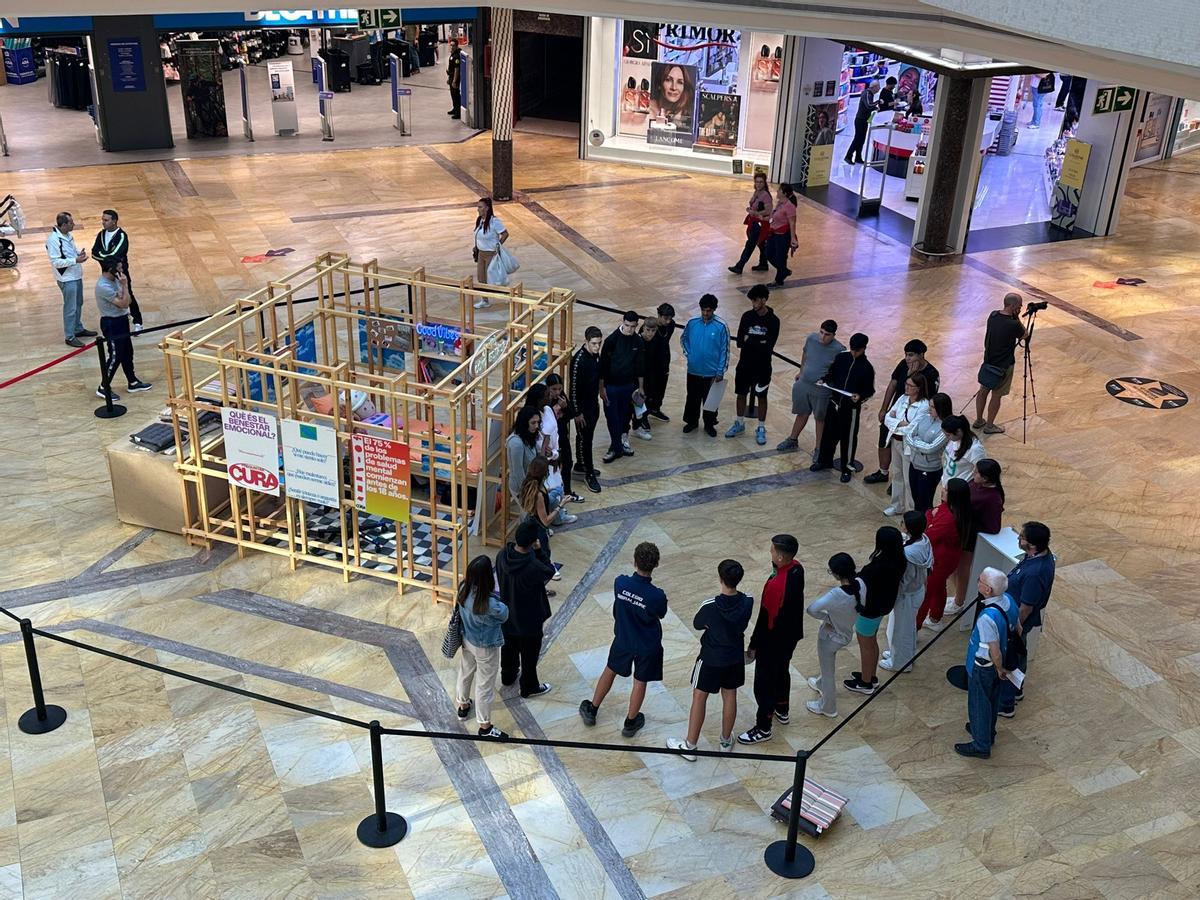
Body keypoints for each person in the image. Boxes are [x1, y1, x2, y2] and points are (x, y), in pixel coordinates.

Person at [667, 559, 753, 760]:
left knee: (699, 696)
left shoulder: (710, 605)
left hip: (710, 658)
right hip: (734, 657)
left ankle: (690, 745)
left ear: (720, 578)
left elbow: (698, 624)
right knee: (730, 695)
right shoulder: (748, 600)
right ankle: (725, 741)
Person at [578, 541, 667, 737]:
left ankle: (592, 709)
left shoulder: (621, 583)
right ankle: (630, 722)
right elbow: (660, 614)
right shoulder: (657, 596)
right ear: (656, 564)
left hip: (624, 639)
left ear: (634, 562)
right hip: (647, 645)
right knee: (640, 681)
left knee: (610, 670)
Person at [737, 534, 804, 744]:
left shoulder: (776, 587)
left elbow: (765, 618)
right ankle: (782, 708)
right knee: (782, 671)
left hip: (773, 641)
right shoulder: (796, 568)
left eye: (773, 551)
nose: (770, 553)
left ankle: (763, 727)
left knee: (764, 684)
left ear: (782, 557)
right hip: (791, 636)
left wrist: (754, 645)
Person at [956, 567, 1018, 759]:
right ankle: (985, 731)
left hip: (984, 666)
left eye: (980, 580)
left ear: (988, 590)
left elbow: (994, 650)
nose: (978, 582)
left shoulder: (986, 618)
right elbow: (1018, 628)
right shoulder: (1010, 602)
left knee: (979, 702)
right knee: (991, 699)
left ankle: (981, 744)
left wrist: (999, 668)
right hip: (998, 665)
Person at [997, 522, 1055, 718]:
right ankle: (1017, 689)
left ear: (1032, 546)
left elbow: (1026, 607)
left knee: (1009, 658)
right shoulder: (1038, 557)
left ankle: (1005, 703)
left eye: (1021, 537)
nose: (1018, 539)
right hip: (1016, 616)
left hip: (1017, 621)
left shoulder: (1035, 573)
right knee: (1019, 654)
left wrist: (1015, 627)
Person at [864, 339, 940, 485]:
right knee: (884, 439)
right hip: (896, 410)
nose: (907, 358)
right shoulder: (903, 365)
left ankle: (901, 479)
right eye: (906, 355)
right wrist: (883, 408)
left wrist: (913, 374)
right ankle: (883, 472)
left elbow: (928, 398)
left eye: (911, 355)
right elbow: (893, 384)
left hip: (914, 416)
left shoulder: (931, 373)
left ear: (921, 355)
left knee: (905, 450)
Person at [497, 520, 556, 698]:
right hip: (529, 619)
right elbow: (549, 571)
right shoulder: (533, 567)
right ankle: (529, 686)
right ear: (532, 542)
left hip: (507, 614)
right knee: (529, 655)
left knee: (508, 647)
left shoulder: (502, 555)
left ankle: (507, 676)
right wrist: (539, 551)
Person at [844, 527, 907, 695]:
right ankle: (870, 675)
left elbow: (859, 583)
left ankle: (865, 683)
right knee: (871, 641)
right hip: (883, 606)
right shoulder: (899, 560)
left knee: (866, 645)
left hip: (869, 609)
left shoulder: (878, 567)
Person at [454, 555, 510, 739]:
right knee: (485, 686)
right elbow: (505, 614)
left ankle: (463, 706)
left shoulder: (463, 588)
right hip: (485, 646)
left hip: (466, 639)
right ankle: (485, 726)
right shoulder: (489, 603)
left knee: (465, 672)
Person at [805, 553, 863, 718]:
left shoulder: (837, 594)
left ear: (836, 574)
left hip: (831, 637)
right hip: (845, 632)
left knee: (828, 670)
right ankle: (820, 683)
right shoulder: (860, 584)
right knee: (826, 670)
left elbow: (812, 609)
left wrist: (827, 618)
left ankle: (828, 707)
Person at [813, 332, 875, 483]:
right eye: (852, 349)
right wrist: (824, 380)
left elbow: (869, 391)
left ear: (864, 349)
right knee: (828, 434)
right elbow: (831, 374)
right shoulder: (841, 358)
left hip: (851, 409)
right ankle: (824, 460)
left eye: (857, 350)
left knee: (848, 439)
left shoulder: (867, 368)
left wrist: (859, 397)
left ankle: (846, 468)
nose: (853, 353)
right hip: (834, 404)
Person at [778, 320, 844, 460]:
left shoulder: (839, 350)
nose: (822, 337)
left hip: (821, 390)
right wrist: (801, 371)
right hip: (804, 384)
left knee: (820, 419)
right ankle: (792, 439)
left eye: (827, 334)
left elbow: (838, 372)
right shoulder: (811, 339)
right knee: (801, 413)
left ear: (833, 335)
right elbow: (805, 353)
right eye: (821, 332)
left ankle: (819, 449)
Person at [948, 458, 1006, 618]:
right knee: (954, 567)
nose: (973, 474)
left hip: (970, 536)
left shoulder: (993, 498)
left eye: (976, 473)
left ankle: (959, 602)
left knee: (962, 569)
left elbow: (994, 527)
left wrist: (971, 521)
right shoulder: (976, 484)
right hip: (962, 531)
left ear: (986, 478)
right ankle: (959, 597)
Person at [918, 478, 974, 632]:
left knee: (926, 595)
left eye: (947, 490)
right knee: (938, 587)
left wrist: (929, 515)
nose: (942, 490)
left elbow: (928, 535)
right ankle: (935, 618)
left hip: (940, 560)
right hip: (946, 558)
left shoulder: (950, 518)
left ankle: (913, 631)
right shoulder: (954, 510)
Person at [726, 284, 779, 446]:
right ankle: (739, 423)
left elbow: (769, 345)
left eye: (755, 301)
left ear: (763, 300)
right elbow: (740, 342)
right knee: (741, 394)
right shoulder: (747, 316)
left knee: (762, 397)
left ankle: (761, 428)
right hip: (744, 365)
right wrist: (758, 342)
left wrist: (752, 341)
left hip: (763, 367)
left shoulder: (773, 320)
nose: (753, 304)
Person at [881, 511, 932, 672]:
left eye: (903, 522)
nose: (900, 524)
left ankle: (900, 663)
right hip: (916, 591)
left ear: (909, 528)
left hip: (907, 595)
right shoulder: (924, 540)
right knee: (904, 627)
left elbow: (905, 578)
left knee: (901, 631)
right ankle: (903, 655)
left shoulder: (909, 554)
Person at [95, 257, 152, 399]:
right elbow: (124, 304)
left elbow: (128, 300)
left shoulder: (116, 280)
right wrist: (125, 287)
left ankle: (132, 381)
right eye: (119, 268)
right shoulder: (104, 286)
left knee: (127, 352)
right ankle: (103, 386)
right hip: (111, 323)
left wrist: (124, 291)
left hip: (122, 320)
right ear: (110, 270)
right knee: (116, 355)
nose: (122, 270)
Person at [974, 293, 1029, 434]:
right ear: (1013, 306)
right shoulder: (1014, 323)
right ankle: (990, 426)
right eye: (1019, 306)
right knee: (996, 395)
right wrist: (1016, 317)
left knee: (983, 391)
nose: (1021, 308)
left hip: (988, 361)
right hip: (1004, 364)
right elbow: (1024, 335)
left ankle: (979, 420)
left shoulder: (993, 316)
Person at [881, 372, 932, 517]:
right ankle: (897, 505)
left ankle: (911, 510)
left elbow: (912, 428)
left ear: (918, 388)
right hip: (895, 441)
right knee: (897, 474)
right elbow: (887, 418)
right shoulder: (902, 398)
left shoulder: (924, 406)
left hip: (908, 445)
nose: (907, 387)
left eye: (910, 385)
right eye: (906, 384)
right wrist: (900, 423)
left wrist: (896, 422)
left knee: (909, 479)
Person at [680, 294, 730, 437]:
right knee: (692, 397)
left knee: (711, 400)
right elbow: (684, 339)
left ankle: (709, 424)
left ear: (714, 309)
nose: (705, 313)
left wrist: (720, 371)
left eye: (708, 310)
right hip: (694, 370)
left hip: (712, 373)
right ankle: (691, 422)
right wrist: (689, 354)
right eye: (703, 310)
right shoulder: (692, 322)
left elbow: (724, 350)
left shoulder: (721, 326)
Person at [599, 311, 645, 464]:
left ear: (636, 325)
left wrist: (640, 388)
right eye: (627, 325)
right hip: (611, 386)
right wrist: (602, 388)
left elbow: (639, 366)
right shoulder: (611, 340)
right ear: (622, 322)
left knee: (625, 416)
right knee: (612, 417)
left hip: (628, 386)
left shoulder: (637, 341)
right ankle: (615, 446)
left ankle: (621, 443)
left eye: (633, 327)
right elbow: (603, 366)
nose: (629, 329)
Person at [47, 211, 94, 348]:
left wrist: (79, 253)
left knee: (78, 303)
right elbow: (55, 262)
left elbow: (70, 250)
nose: (73, 224)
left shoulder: (68, 235)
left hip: (75, 275)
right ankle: (69, 336)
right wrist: (75, 260)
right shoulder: (54, 240)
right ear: (63, 225)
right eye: (71, 223)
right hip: (67, 278)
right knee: (70, 307)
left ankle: (77, 328)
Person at [519, 457, 574, 572]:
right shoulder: (538, 495)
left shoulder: (535, 484)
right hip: (537, 527)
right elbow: (545, 521)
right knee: (542, 553)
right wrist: (561, 504)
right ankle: (544, 573)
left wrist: (551, 490)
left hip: (533, 522)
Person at [91, 209, 142, 332]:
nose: (103, 222)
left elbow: (115, 254)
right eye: (102, 220)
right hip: (107, 271)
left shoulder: (122, 235)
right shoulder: (101, 234)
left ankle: (138, 321)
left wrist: (104, 256)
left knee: (127, 293)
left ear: (114, 221)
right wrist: (107, 258)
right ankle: (120, 313)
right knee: (112, 293)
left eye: (106, 220)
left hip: (121, 271)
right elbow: (94, 253)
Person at [905, 392, 951, 513]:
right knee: (915, 498)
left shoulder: (946, 427)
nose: (929, 409)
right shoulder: (924, 417)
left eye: (932, 407)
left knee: (924, 501)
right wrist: (920, 445)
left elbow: (931, 449)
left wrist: (916, 442)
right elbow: (909, 435)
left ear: (941, 408)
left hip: (930, 469)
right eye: (929, 406)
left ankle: (925, 528)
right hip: (914, 464)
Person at [570, 326, 603, 493]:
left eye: (599, 343)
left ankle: (581, 464)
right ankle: (589, 473)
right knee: (586, 440)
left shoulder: (595, 355)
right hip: (582, 408)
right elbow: (573, 389)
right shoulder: (578, 361)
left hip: (593, 404)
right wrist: (576, 412)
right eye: (594, 344)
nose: (597, 347)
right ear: (586, 341)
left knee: (584, 438)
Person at [728, 172, 772, 274]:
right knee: (761, 244)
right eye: (757, 182)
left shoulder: (765, 195)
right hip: (754, 221)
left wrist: (755, 213)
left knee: (750, 244)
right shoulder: (757, 192)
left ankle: (740, 266)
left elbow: (768, 211)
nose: (759, 184)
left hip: (760, 223)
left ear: (764, 182)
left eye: (761, 182)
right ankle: (763, 263)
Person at [472, 197, 509, 302]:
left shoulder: (494, 222)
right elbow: (478, 234)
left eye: (480, 207)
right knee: (481, 278)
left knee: (494, 278)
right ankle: (484, 300)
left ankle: (507, 294)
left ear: (487, 208)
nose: (478, 209)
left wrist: (498, 246)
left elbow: (505, 234)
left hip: (491, 254)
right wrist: (476, 246)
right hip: (481, 254)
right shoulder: (479, 220)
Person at [643, 303, 675, 422]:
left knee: (661, 389)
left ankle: (655, 409)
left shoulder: (671, 325)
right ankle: (643, 416)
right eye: (665, 318)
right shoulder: (648, 327)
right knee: (648, 390)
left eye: (670, 318)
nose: (668, 321)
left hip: (663, 362)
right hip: (650, 365)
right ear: (659, 315)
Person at [630, 319, 660, 441]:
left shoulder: (656, 341)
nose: (650, 333)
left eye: (653, 331)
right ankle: (637, 424)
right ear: (643, 328)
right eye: (648, 330)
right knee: (637, 401)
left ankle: (642, 419)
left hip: (650, 376)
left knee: (646, 399)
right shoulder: (637, 341)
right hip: (637, 378)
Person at [764, 183, 797, 286]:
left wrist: (793, 238)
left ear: (784, 193)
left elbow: (792, 223)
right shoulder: (779, 204)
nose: (777, 192)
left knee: (780, 257)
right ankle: (783, 270)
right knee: (768, 254)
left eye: (779, 190)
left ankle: (779, 279)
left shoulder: (790, 206)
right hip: (774, 233)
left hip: (783, 236)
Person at [506, 406, 541, 502]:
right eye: (533, 423)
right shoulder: (516, 443)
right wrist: (527, 492)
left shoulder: (529, 435)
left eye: (538, 422)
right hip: (522, 488)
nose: (536, 426)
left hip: (532, 483)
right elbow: (518, 471)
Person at [940, 415, 985, 487]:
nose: (946, 437)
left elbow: (982, 471)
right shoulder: (954, 439)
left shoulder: (975, 449)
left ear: (958, 431)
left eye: (948, 435)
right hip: (947, 485)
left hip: (959, 489)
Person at [845, 80, 879, 165]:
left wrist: (875, 108)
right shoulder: (867, 93)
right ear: (874, 87)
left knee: (862, 139)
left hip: (864, 120)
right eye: (878, 87)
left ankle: (858, 157)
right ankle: (848, 156)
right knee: (857, 139)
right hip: (860, 120)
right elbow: (869, 105)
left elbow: (868, 106)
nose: (879, 89)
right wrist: (878, 102)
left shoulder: (869, 94)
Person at [446, 42, 463, 119]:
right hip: (451, 76)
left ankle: (458, 112)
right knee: (452, 94)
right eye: (451, 45)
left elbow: (457, 69)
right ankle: (454, 108)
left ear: (456, 46)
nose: (451, 47)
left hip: (454, 77)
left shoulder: (456, 56)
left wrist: (454, 81)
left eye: (453, 45)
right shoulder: (452, 54)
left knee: (456, 94)